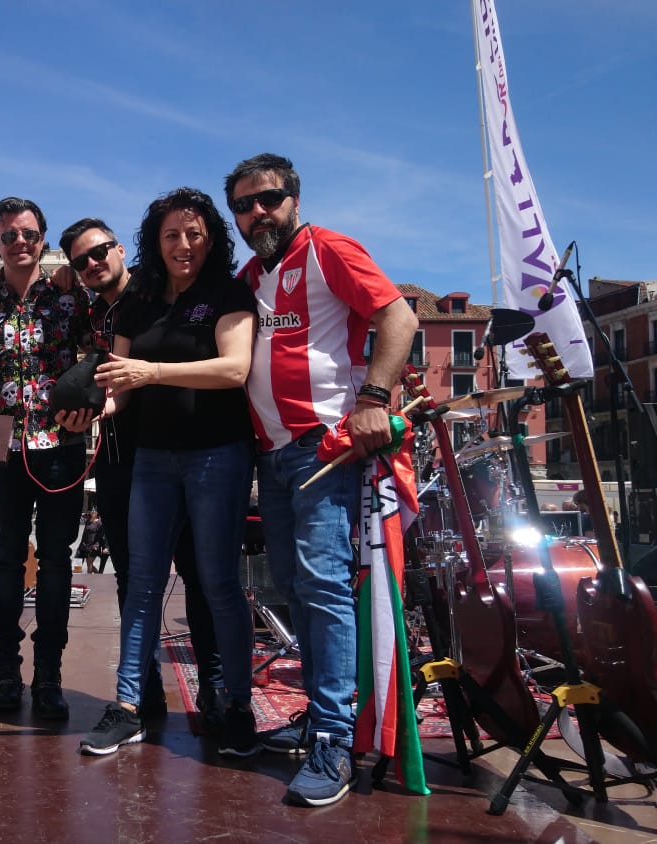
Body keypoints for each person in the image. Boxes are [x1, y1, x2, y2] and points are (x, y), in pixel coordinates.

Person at [225, 153, 418, 807]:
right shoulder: (251, 276)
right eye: (245, 206)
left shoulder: (329, 249)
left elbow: (400, 317)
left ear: (295, 199)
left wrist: (373, 396)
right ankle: (325, 712)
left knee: (324, 586)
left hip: (323, 448)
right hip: (272, 457)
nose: (258, 213)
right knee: (296, 589)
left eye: (269, 198)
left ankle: (334, 739)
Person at [77, 188, 257, 757]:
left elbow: (234, 369)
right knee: (143, 586)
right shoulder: (139, 302)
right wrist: (95, 408)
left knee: (220, 585)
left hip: (218, 454)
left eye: (194, 234)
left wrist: (152, 371)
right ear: (155, 243)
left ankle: (235, 706)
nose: (183, 245)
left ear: (211, 239)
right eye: (172, 235)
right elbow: (119, 387)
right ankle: (128, 704)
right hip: (152, 459)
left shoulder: (229, 292)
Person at [58, 217, 224, 726]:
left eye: (100, 251)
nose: (93, 263)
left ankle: (215, 689)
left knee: (198, 572)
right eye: (80, 260)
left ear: (120, 249)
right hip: (114, 459)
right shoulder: (81, 309)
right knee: (133, 577)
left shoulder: (157, 295)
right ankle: (144, 691)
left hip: (174, 452)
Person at [0, 198, 93, 719]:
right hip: (4, 449)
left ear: (44, 240)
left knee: (59, 562)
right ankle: (5, 673)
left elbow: (103, 352)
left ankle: (49, 677)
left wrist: (91, 403)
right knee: (8, 562)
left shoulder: (70, 297)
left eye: (30, 234)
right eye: (10, 235)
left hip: (61, 446)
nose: (20, 242)